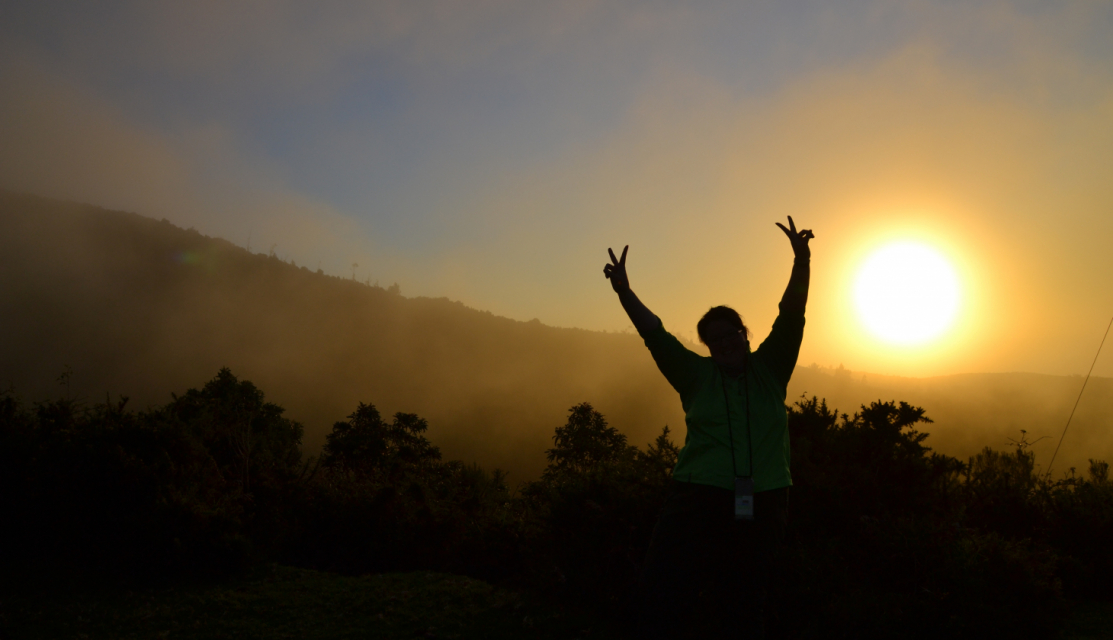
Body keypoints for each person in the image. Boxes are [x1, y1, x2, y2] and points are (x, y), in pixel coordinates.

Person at [604, 217, 813, 639]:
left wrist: (802, 260)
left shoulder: (771, 368)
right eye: (712, 339)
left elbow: (791, 314)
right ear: (707, 346)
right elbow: (655, 334)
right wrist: (625, 293)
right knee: (666, 585)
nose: (723, 342)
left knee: (744, 593)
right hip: (696, 494)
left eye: (730, 333)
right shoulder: (694, 374)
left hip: (765, 494)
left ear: (744, 334)